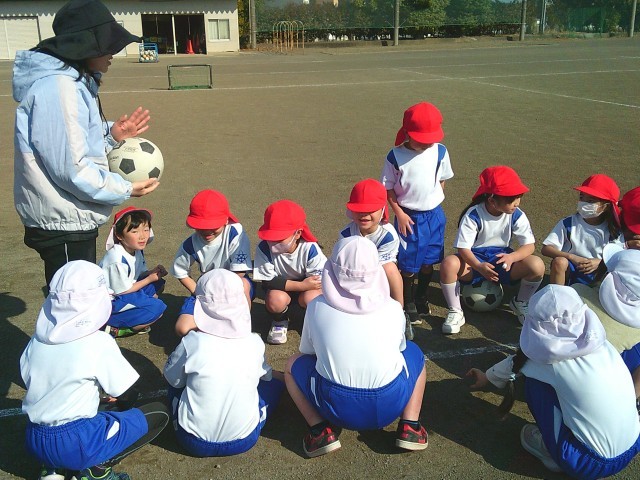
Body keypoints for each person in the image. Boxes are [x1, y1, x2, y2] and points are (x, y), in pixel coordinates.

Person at [13, 0, 159, 289]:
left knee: (75, 298)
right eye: (107, 45)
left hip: (70, 217)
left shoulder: (75, 83)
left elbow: (73, 146)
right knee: (74, 302)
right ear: (85, 47)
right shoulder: (59, 88)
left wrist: (112, 136)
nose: (113, 53)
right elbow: (71, 169)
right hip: (63, 221)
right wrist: (125, 188)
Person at [466, 285, 640, 479]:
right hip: (634, 443)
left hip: (587, 462)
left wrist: (487, 377)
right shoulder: (602, 343)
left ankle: (550, 451)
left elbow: (517, 363)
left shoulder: (547, 362)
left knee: (535, 386)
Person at [20, 261, 169, 480]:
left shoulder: (36, 341)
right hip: (78, 440)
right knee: (158, 413)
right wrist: (120, 408)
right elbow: (126, 394)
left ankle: (53, 469)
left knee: (95, 408)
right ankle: (97, 469)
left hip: (35, 438)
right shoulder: (97, 342)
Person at [285, 237, 428, 458]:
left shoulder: (317, 307)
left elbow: (308, 353)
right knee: (415, 353)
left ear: (332, 270)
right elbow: (401, 348)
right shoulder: (392, 308)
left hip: (335, 406)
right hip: (390, 404)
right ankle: (411, 426)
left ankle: (319, 430)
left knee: (292, 364)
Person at [164, 269, 285, 457]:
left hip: (191, 440)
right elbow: (267, 378)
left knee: (176, 388)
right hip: (244, 440)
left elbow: (172, 380)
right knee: (272, 386)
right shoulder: (254, 342)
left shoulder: (193, 342)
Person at [439, 166, 544, 333]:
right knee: (448, 264)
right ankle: (456, 310)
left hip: (503, 259)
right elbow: (463, 248)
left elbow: (529, 245)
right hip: (474, 260)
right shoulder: (473, 215)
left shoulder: (516, 214)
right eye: (511, 199)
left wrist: (512, 257)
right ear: (492, 201)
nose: (517, 202)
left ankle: (521, 302)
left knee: (537, 265)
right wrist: (479, 266)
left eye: (519, 196)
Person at [381, 102, 454, 326]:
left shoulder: (440, 151)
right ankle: (409, 302)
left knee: (429, 261)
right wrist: (400, 214)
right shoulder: (395, 156)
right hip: (409, 218)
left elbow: (442, 179)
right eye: (422, 138)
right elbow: (388, 189)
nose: (427, 143)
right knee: (408, 264)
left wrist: (433, 201)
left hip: (435, 216)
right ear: (408, 133)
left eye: (431, 138)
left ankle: (422, 296)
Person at [171, 190, 253, 337]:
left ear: (226, 220)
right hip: (207, 287)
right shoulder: (190, 244)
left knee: (244, 285)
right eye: (201, 226)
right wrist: (199, 292)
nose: (207, 231)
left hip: (233, 284)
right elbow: (180, 272)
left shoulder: (235, 233)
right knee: (182, 328)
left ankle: (241, 329)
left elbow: (239, 272)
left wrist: (220, 298)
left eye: (213, 225)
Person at [337, 179, 409, 337]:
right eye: (359, 210)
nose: (364, 214)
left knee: (390, 268)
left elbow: (378, 269)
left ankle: (400, 312)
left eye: (371, 210)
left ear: (382, 210)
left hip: (378, 275)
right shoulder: (345, 234)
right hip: (354, 276)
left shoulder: (388, 235)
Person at [253, 200, 327, 345]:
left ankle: (311, 323)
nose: (273, 243)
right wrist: (301, 286)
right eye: (271, 237)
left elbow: (317, 281)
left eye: (279, 238)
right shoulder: (263, 248)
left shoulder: (310, 248)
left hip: (305, 290)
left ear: (298, 233)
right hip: (282, 289)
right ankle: (279, 321)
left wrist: (305, 288)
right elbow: (268, 281)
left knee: (313, 297)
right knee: (275, 300)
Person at [541, 174, 622, 286]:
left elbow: (620, 256)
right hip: (571, 267)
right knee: (559, 262)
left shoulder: (614, 229)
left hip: (598, 272)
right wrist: (571, 257)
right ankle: (557, 294)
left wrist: (600, 263)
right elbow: (546, 249)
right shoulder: (569, 223)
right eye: (581, 198)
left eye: (591, 200)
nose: (584, 203)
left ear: (606, 206)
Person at [99, 207, 167, 338]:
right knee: (157, 309)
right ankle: (114, 328)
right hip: (111, 301)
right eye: (135, 231)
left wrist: (152, 273)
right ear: (119, 235)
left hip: (125, 290)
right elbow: (123, 290)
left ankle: (136, 313)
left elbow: (137, 275)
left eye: (146, 230)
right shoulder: (116, 258)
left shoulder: (135, 249)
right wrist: (149, 279)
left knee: (158, 284)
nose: (142, 236)